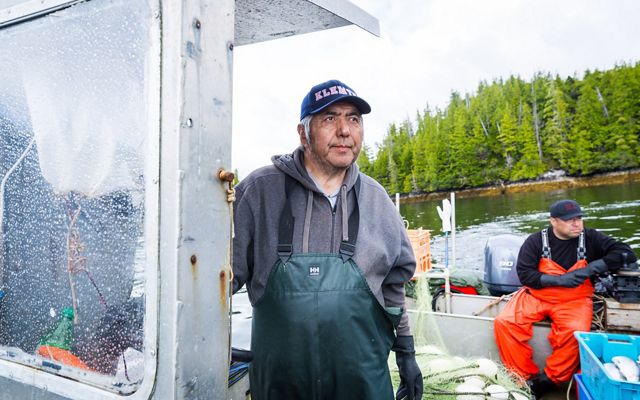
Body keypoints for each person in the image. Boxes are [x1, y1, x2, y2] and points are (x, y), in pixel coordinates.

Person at [232, 79, 423, 400]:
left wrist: (405, 351)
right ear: (303, 133)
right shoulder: (258, 192)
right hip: (281, 386)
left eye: (353, 119)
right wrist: (208, 340)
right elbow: (217, 281)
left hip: (362, 384)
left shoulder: (377, 200)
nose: (344, 130)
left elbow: (394, 287)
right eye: (330, 118)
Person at [494, 199, 637, 397]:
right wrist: (558, 280)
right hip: (536, 295)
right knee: (505, 323)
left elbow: (626, 253)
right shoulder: (535, 241)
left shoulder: (591, 237)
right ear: (553, 221)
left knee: (575, 332)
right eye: (570, 220)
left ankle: (548, 380)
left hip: (574, 300)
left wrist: (590, 269)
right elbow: (525, 275)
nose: (577, 224)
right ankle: (522, 378)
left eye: (579, 218)